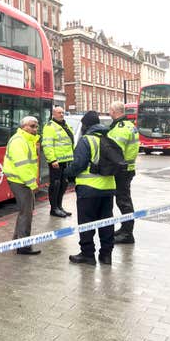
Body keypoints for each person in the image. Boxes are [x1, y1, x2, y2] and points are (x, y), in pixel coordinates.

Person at [64, 110, 115, 266]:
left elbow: (78, 165)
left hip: (88, 190)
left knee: (86, 224)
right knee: (106, 223)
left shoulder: (86, 140)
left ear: (86, 125)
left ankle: (88, 255)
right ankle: (106, 255)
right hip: (108, 188)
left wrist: (66, 173)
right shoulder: (109, 138)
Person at [3, 115, 41, 255]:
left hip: (22, 180)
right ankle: (23, 246)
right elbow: (22, 166)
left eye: (36, 126)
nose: (35, 129)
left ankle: (17, 241)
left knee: (26, 211)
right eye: (32, 126)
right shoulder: (19, 141)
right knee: (26, 213)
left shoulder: (28, 139)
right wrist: (32, 184)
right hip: (20, 181)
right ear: (23, 126)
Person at [107, 100, 139, 244]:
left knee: (123, 201)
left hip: (121, 170)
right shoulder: (129, 125)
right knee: (124, 199)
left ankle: (127, 233)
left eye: (110, 111)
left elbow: (113, 152)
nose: (109, 113)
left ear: (114, 112)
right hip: (128, 169)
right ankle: (125, 228)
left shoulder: (119, 128)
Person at [41, 106, 75, 218]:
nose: (61, 114)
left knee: (63, 183)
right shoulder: (50, 127)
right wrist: (52, 159)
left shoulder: (65, 125)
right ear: (53, 114)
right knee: (55, 184)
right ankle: (54, 208)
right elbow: (47, 144)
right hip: (56, 161)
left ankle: (60, 206)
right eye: (59, 113)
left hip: (65, 160)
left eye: (62, 112)